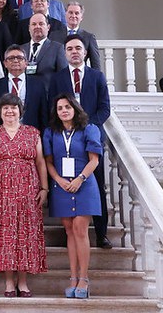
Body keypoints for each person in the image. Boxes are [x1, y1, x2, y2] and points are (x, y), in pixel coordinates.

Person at [0, 93, 48, 297]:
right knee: (5, 235)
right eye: (5, 108)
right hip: (0, 192)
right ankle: (9, 281)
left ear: (20, 111)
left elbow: (40, 162)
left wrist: (44, 188)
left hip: (28, 191)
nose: (10, 111)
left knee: (25, 234)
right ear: (0, 112)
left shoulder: (32, 133)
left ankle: (23, 282)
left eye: (13, 107)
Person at [49, 35, 112, 250]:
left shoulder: (97, 76)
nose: (74, 52)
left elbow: (104, 108)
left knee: (97, 185)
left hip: (90, 138)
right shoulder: (57, 79)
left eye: (78, 48)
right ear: (65, 53)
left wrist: (85, 127)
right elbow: (53, 108)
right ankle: (69, 231)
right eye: (70, 49)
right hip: (65, 141)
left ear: (85, 52)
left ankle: (101, 233)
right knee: (66, 184)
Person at [43, 93, 102, 299]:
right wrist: (58, 180)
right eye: (60, 108)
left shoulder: (89, 129)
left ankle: (84, 279)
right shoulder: (51, 132)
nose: (64, 111)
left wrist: (80, 179)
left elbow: (94, 160)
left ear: (75, 109)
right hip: (62, 185)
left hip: (84, 184)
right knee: (69, 230)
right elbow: (48, 162)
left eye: (67, 107)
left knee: (80, 229)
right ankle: (73, 278)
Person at [0, 45, 49, 132]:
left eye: (19, 58)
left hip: (31, 132)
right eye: (11, 58)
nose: (15, 61)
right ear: (5, 63)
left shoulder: (38, 84)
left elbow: (43, 113)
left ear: (26, 63)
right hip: (3, 133)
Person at [20, 13, 68, 92]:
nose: (37, 27)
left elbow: (63, 77)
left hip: (48, 96)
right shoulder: (21, 49)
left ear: (48, 27)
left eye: (41, 24)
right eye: (34, 24)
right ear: (29, 28)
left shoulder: (57, 48)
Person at [65, 1, 101, 70]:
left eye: (77, 13)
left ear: (81, 17)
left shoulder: (89, 37)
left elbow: (95, 63)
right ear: (65, 15)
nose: (73, 16)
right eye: (70, 12)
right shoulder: (56, 35)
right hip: (60, 75)